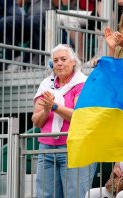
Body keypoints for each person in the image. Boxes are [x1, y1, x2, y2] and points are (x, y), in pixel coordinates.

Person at [32, 44, 96, 198]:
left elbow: (79, 116)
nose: (59, 63)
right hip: (46, 149)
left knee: (76, 195)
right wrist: (47, 110)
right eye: (55, 60)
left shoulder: (83, 83)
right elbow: (36, 121)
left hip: (74, 147)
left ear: (73, 62)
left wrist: (54, 106)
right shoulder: (46, 85)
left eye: (63, 59)